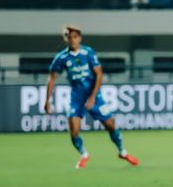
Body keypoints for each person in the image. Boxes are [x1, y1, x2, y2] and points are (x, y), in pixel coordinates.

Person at [44, 25, 139, 169]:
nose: (72, 40)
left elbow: (99, 73)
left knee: (111, 125)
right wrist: (47, 100)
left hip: (94, 96)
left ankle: (123, 152)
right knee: (74, 131)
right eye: (69, 37)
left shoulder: (88, 52)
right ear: (66, 39)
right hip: (76, 99)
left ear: (80, 38)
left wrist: (93, 97)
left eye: (75, 37)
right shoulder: (62, 57)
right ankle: (84, 155)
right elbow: (51, 78)